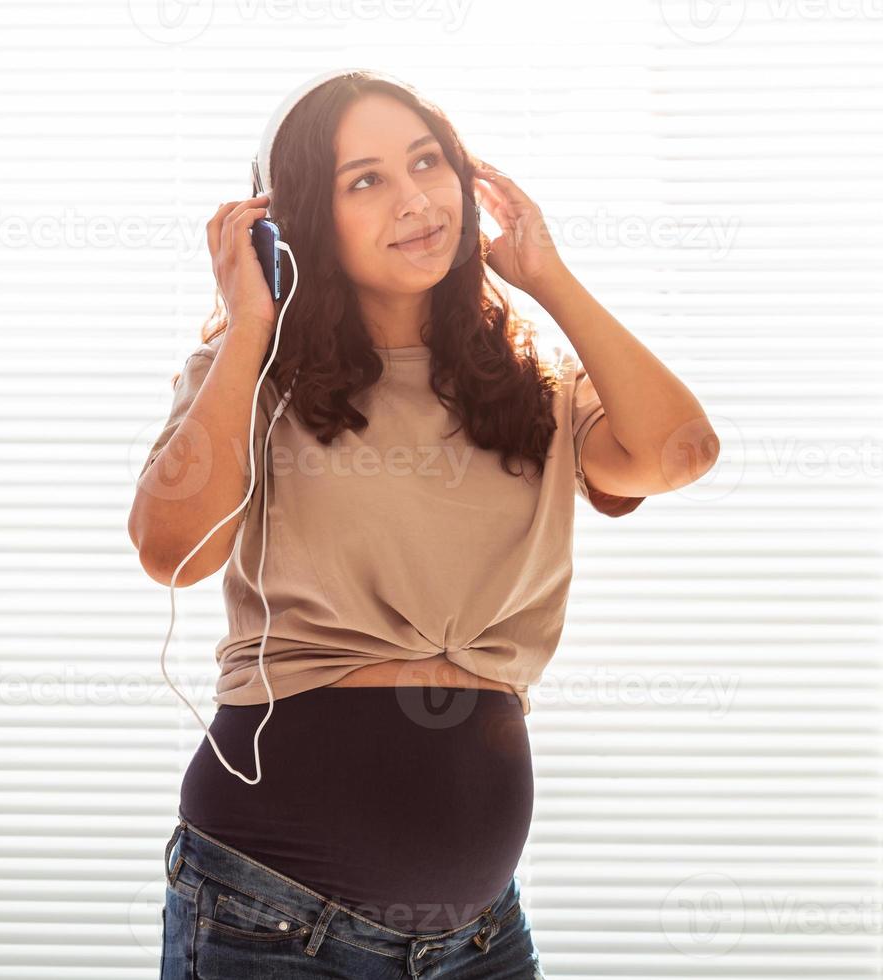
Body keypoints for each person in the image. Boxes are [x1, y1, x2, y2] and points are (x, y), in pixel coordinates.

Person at [129, 69, 719, 978]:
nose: (414, 200)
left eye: (427, 163)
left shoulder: (534, 381)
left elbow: (680, 453)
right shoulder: (251, 373)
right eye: (364, 180)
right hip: (270, 917)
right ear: (295, 220)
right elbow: (172, 552)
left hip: (477, 937)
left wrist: (550, 278)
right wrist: (251, 323)